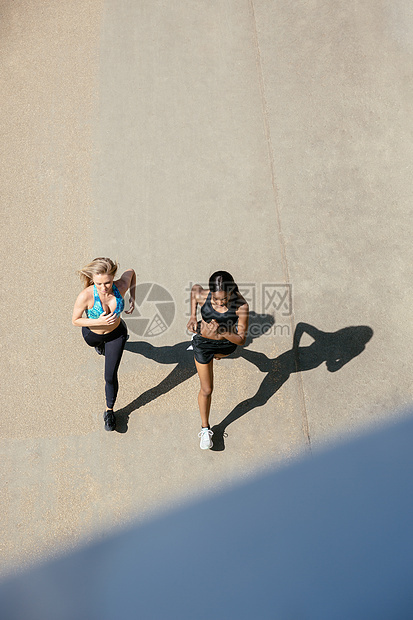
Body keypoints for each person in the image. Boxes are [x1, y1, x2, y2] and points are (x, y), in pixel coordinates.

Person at [72, 257, 136, 431]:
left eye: (107, 283)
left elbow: (131, 272)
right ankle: (100, 347)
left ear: (113, 277)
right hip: (92, 335)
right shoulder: (86, 295)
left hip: (116, 335)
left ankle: (109, 411)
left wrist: (133, 298)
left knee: (110, 375)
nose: (103, 288)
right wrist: (97, 322)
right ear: (93, 279)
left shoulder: (121, 286)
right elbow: (75, 321)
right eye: (98, 284)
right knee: (97, 345)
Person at [187, 271, 249, 449]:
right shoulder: (202, 295)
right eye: (215, 300)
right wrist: (192, 316)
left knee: (224, 354)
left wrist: (222, 332)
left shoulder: (241, 306)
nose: (220, 303)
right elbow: (194, 290)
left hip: (225, 346)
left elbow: (241, 339)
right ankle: (205, 429)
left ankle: (217, 355)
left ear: (231, 292)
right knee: (207, 389)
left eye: (224, 300)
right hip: (203, 344)